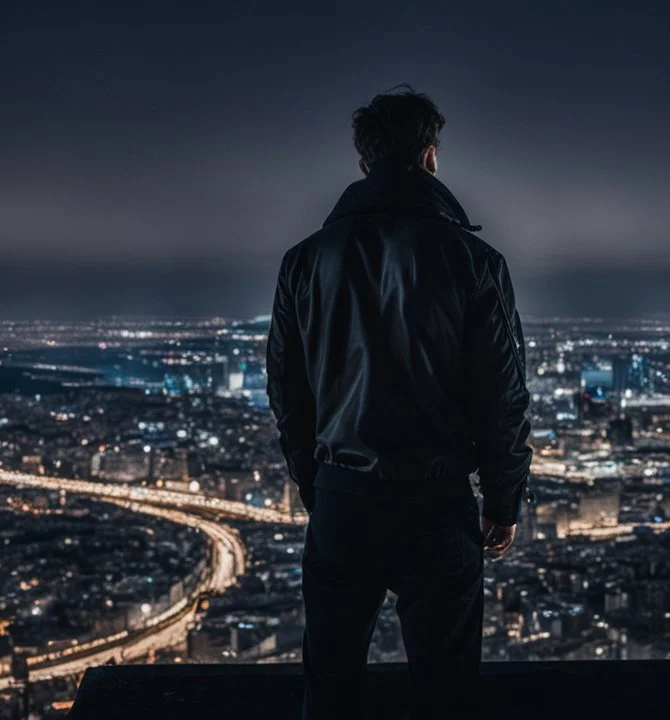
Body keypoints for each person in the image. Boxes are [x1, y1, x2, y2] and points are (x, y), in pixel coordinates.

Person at [266, 85, 533, 719]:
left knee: (329, 686)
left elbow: (287, 391)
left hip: (342, 500)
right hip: (437, 503)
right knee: (447, 692)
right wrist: (501, 501)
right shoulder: (473, 260)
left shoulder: (304, 262)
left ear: (363, 163)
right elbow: (503, 394)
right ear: (431, 157)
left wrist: (318, 484)